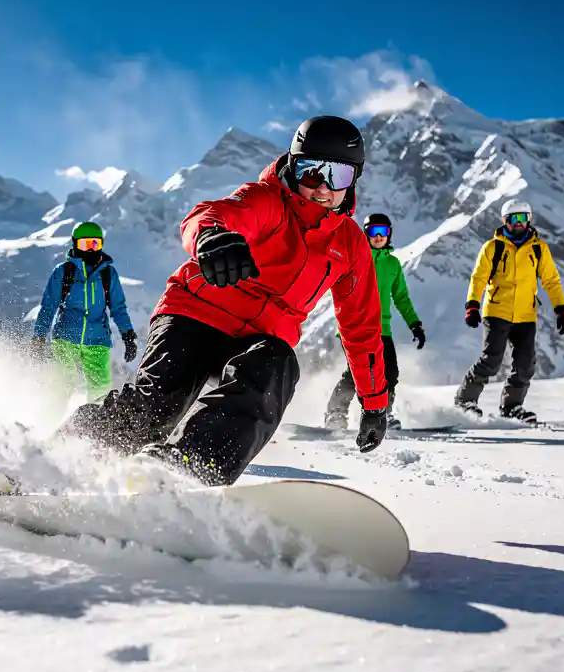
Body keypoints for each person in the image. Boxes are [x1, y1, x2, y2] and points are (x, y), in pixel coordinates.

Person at [55, 115, 390, 487]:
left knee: (277, 366)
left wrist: (374, 402)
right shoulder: (266, 200)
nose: (323, 188)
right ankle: (63, 457)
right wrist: (211, 238)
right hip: (196, 313)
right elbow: (212, 215)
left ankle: (189, 469)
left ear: (354, 179)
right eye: (312, 173)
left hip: (256, 341)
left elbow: (361, 328)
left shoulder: (350, 246)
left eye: (338, 176)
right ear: (294, 168)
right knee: (161, 401)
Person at [453, 199, 564, 422]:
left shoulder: (538, 249)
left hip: (526, 315)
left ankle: (511, 407)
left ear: (529, 220)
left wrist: (561, 308)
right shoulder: (493, 247)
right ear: (505, 221)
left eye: (523, 218)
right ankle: (465, 400)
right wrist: (473, 305)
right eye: (513, 219)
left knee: (525, 364)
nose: (518, 223)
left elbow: (551, 281)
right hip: (497, 312)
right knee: (492, 361)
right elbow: (478, 278)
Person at [324, 213, 425, 431]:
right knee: (356, 372)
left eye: (384, 232)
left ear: (389, 235)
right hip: (354, 327)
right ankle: (335, 413)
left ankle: (384, 413)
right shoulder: (356, 257)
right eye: (373, 232)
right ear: (365, 233)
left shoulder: (393, 264)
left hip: (382, 329)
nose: (378, 237)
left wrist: (414, 324)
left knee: (390, 373)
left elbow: (401, 298)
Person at [31, 220, 137, 401]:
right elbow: (48, 307)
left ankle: (95, 425)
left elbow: (118, 308)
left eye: (95, 244)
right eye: (85, 244)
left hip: (97, 340)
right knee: (62, 384)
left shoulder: (108, 274)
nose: (90, 250)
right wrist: (39, 336)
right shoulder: (64, 272)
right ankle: (49, 420)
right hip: (66, 337)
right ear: (75, 244)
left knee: (101, 389)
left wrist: (127, 335)